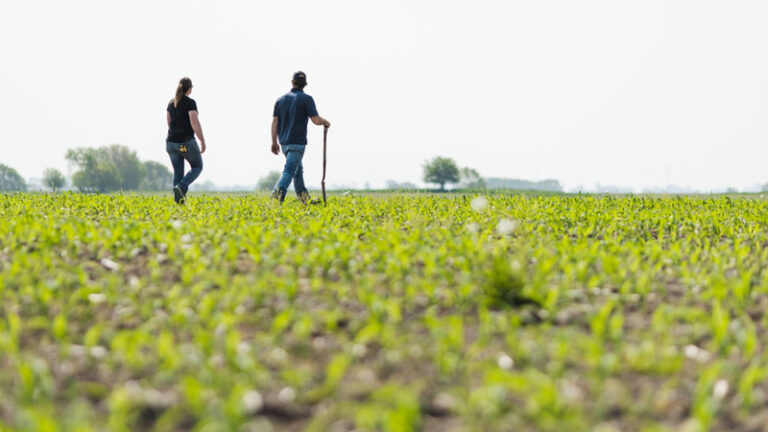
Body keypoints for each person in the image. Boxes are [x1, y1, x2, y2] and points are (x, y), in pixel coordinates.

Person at [271, 71, 330, 203]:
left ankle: (306, 201)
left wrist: (274, 142)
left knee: (297, 172)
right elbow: (315, 120)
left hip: (284, 144)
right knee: (290, 170)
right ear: (305, 85)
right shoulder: (307, 99)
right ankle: (276, 198)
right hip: (297, 143)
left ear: (292, 82)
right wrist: (326, 122)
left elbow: (275, 122)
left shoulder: (280, 100)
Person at [166, 77, 206, 204]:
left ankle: (179, 202)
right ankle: (181, 187)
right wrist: (202, 140)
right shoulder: (190, 103)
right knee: (197, 166)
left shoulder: (171, 103)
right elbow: (194, 122)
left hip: (171, 143)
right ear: (189, 88)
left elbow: (169, 122)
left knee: (178, 172)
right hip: (185, 142)